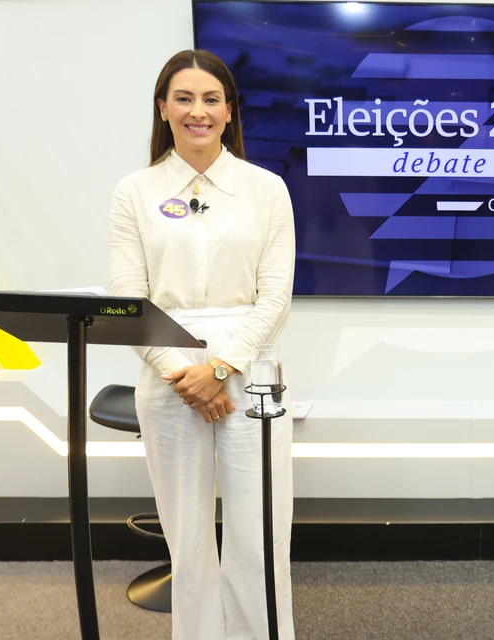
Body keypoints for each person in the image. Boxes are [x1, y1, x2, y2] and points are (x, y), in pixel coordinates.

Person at [108, 49, 297, 640]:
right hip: (168, 377)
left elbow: (275, 298)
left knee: (257, 536)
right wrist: (183, 374)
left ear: (229, 110)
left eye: (211, 99)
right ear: (163, 109)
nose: (198, 111)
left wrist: (221, 369)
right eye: (184, 98)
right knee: (187, 540)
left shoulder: (266, 190)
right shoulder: (134, 192)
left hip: (251, 369)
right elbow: (128, 297)